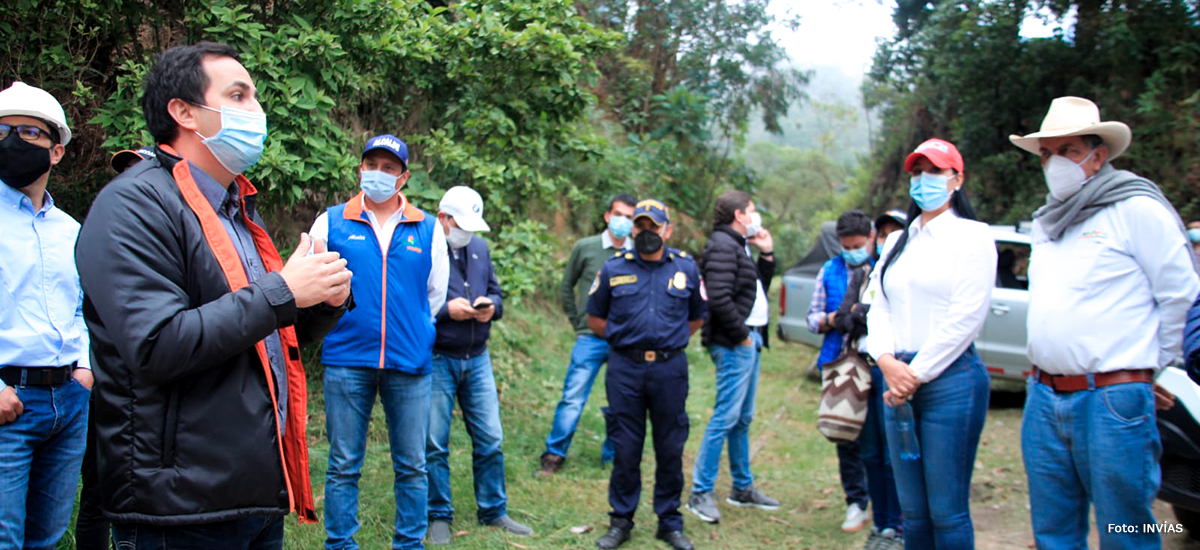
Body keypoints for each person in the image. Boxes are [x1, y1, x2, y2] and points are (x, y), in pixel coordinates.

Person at [76, 42, 352, 548]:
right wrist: (284, 289)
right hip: (179, 506)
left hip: (253, 488)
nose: (257, 111)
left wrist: (323, 301)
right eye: (239, 95)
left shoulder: (236, 207)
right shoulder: (133, 205)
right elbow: (157, 345)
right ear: (182, 112)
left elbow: (262, 330)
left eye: (255, 97)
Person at [1010, 96, 1200, 550]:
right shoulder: (1048, 223)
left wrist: (1154, 368)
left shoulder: (1135, 209)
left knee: (1125, 527)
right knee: (1053, 528)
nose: (1056, 163)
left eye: (1069, 150)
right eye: (1047, 153)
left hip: (1111, 397)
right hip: (1042, 394)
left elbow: (1180, 293)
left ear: (1098, 155)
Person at [309, 133, 449, 550]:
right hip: (347, 360)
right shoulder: (330, 221)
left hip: (409, 362)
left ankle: (409, 543)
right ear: (360, 170)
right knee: (343, 463)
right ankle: (340, 544)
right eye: (372, 165)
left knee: (411, 464)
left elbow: (434, 295)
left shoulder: (426, 228)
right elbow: (314, 286)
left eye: (389, 168)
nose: (379, 174)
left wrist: (414, 330)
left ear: (403, 177)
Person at [866, 138, 997, 549]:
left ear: (957, 179)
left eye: (936, 171)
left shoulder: (972, 237)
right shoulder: (896, 242)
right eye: (918, 172)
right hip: (897, 381)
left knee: (947, 511)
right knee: (914, 512)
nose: (925, 180)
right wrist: (887, 361)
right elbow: (877, 306)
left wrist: (914, 374)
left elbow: (966, 317)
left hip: (950, 383)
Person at [0, 81, 91, 550]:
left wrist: (86, 369)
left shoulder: (70, 229)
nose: (12, 141)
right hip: (7, 404)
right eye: (2, 131)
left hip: (68, 401)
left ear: (56, 151)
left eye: (28, 133)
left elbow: (79, 306)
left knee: (47, 538)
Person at [588, 199, 706, 550]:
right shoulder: (613, 269)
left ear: (666, 230)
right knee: (626, 448)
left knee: (670, 447)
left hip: (670, 370)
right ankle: (621, 521)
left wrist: (669, 342)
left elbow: (697, 317)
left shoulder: (686, 267)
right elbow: (595, 319)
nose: (646, 233)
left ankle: (669, 522)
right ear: (632, 230)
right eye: (640, 226)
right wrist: (627, 341)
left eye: (653, 226)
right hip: (625, 369)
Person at [425, 186, 532, 544]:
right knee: (434, 442)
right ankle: (438, 514)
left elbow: (497, 293)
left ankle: (494, 510)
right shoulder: (423, 248)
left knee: (490, 437)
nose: (467, 233)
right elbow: (408, 304)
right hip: (439, 357)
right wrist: (445, 311)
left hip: (478, 357)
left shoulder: (480, 248)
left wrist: (491, 307)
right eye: (461, 224)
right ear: (443, 218)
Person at [73, 145, 156, 550]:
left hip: (155, 391)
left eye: (140, 171)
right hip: (105, 384)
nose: (130, 181)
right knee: (98, 490)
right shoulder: (97, 235)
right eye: (123, 173)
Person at [686, 190, 779, 525]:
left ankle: (742, 487)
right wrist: (741, 336)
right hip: (734, 342)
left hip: (748, 339)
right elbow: (719, 298)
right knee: (726, 416)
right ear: (740, 215)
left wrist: (766, 256)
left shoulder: (738, 244)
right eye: (752, 211)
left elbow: (753, 290)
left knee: (742, 417)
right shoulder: (723, 246)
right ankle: (700, 492)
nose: (756, 217)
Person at [540, 193, 636, 475]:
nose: (623, 221)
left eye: (630, 217)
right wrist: (578, 321)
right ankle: (554, 454)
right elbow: (566, 286)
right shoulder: (586, 247)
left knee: (621, 400)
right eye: (618, 214)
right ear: (607, 216)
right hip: (590, 337)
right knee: (573, 396)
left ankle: (614, 457)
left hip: (624, 340)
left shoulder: (636, 252)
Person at [832, 210, 907, 550]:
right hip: (865, 371)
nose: (888, 239)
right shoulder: (866, 272)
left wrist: (863, 313)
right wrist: (863, 313)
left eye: (897, 233)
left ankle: (900, 525)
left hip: (897, 371)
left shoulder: (910, 275)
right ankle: (881, 526)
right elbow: (846, 317)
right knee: (872, 452)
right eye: (884, 233)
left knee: (896, 455)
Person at [805, 210, 874, 534]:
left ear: (871, 238)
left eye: (858, 245)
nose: (851, 252)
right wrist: (834, 319)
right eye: (846, 246)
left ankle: (882, 503)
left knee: (877, 439)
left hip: (876, 364)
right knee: (845, 436)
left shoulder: (884, 269)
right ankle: (855, 503)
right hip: (839, 365)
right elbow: (812, 318)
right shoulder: (830, 270)